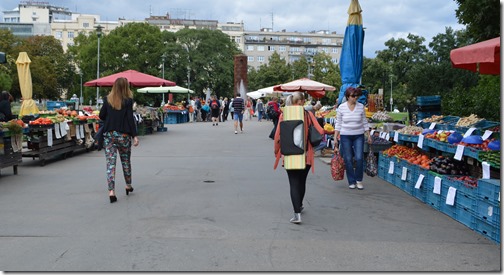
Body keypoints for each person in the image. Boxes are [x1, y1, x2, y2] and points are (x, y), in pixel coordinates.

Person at [273, 92, 325, 224]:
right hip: (306, 154)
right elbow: (320, 131)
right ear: (302, 102)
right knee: (302, 181)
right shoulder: (308, 114)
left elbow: (277, 136)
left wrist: (277, 152)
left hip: (290, 154)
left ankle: (297, 214)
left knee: (293, 182)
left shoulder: (284, 115)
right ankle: (300, 205)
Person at [98, 77, 140, 203]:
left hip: (109, 135)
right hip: (124, 136)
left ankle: (111, 191)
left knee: (110, 164)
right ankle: (128, 185)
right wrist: (135, 136)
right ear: (126, 87)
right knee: (125, 161)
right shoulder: (128, 101)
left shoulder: (107, 100)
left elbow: (101, 116)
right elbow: (130, 120)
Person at [333, 87, 372, 190]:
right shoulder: (341, 107)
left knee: (359, 158)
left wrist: (368, 134)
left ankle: (359, 180)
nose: (355, 98)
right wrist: (335, 138)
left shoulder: (361, 107)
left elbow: (364, 121)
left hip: (359, 135)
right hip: (345, 135)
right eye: (353, 96)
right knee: (348, 158)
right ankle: (351, 180)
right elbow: (338, 123)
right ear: (347, 97)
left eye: (356, 96)